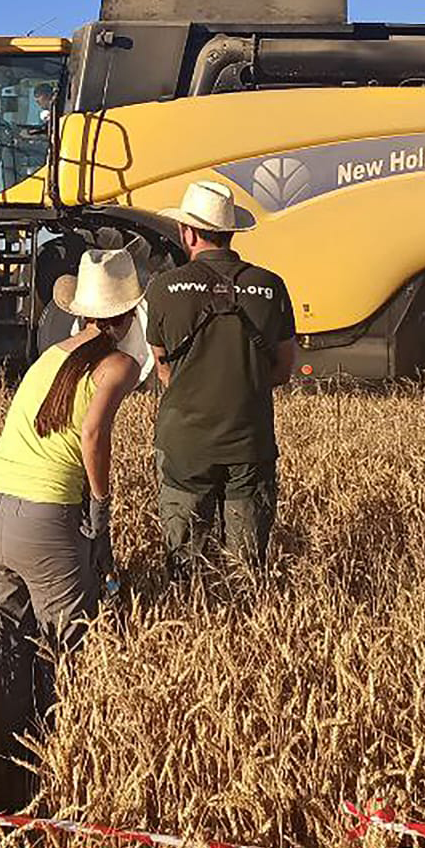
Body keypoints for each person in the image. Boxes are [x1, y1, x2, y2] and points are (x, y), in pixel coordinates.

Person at [0, 248, 144, 801]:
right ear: (126, 315)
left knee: (10, 648)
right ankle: (59, 782)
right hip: (42, 522)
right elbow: (93, 434)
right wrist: (100, 508)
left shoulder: (48, 358)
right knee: (72, 650)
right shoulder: (118, 364)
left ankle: (6, 774)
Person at [143, 180, 298, 578]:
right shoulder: (271, 285)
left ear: (188, 231)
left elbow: (163, 368)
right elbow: (283, 369)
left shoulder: (163, 288)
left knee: (183, 567)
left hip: (184, 446)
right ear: (230, 231)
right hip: (250, 443)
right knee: (245, 570)